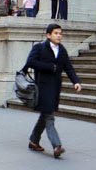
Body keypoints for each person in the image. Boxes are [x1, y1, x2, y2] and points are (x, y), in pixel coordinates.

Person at [25, 24, 82, 158]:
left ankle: (34, 141)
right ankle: (57, 146)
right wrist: (49, 67)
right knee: (49, 116)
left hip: (55, 87)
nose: (59, 36)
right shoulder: (39, 48)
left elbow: (68, 67)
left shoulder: (62, 50)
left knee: (45, 115)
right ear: (48, 35)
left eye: (60, 33)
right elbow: (30, 62)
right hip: (43, 87)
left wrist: (76, 81)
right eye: (56, 33)